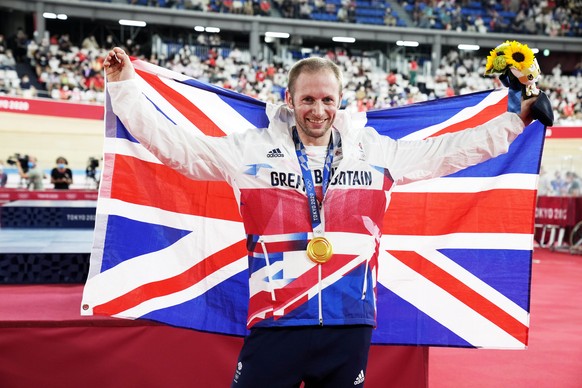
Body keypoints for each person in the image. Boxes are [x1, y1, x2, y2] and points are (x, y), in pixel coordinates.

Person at [104, 47, 537, 387]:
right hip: (275, 321)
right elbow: (178, 148)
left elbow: (449, 152)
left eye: (327, 99)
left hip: (350, 324)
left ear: (340, 101)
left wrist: (515, 121)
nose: (318, 109)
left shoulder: (376, 151)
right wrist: (124, 87)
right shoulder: (249, 150)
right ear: (289, 100)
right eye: (307, 99)